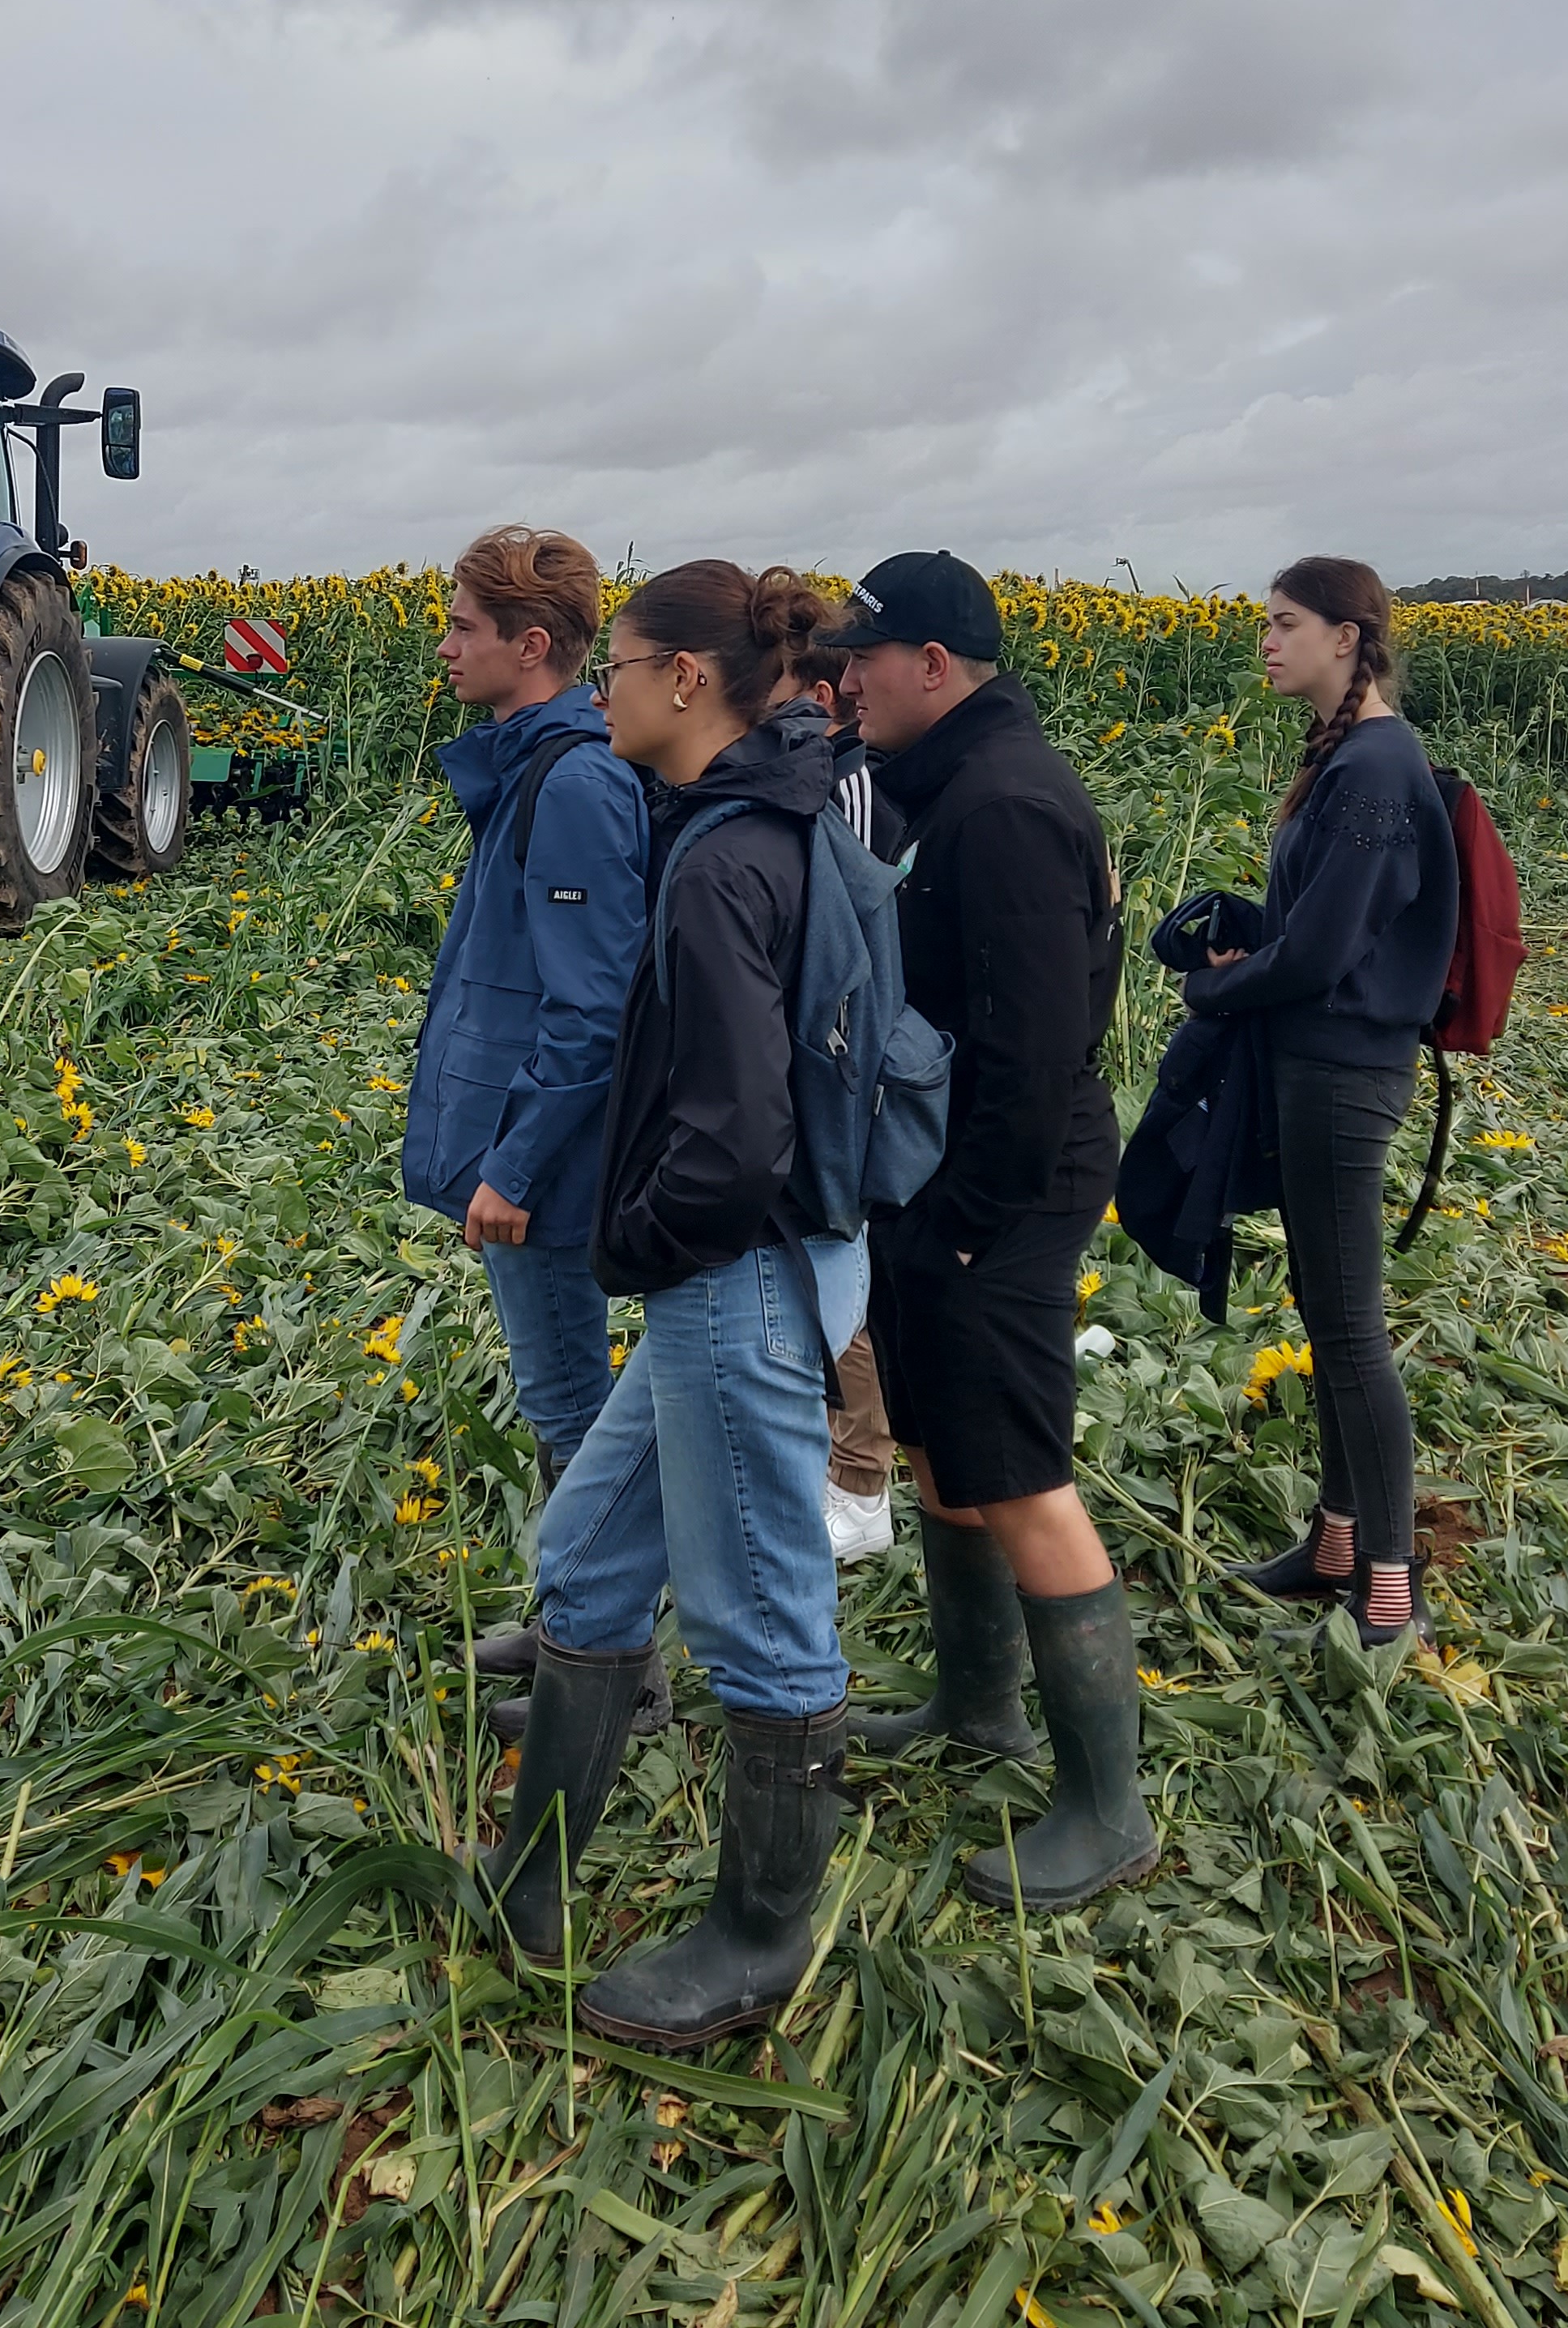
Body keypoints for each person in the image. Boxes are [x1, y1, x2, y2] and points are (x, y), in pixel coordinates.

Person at [479, 559, 859, 2050]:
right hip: (764, 1262)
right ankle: (533, 1877)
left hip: (734, 1275)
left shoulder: (719, 863)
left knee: (759, 1613)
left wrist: (636, 1242)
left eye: (622, 667)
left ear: (687, 679)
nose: (604, 694)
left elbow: (737, 1134)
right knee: (584, 1549)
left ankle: (759, 1940)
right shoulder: (778, 812)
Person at [834, 550, 1154, 1912]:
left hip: (999, 1189)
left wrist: (966, 1225)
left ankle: (1109, 1809)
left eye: (861, 657)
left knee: (1020, 1472)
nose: (843, 680)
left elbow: (1035, 1050)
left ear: (932, 665)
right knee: (940, 1441)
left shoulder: (1007, 806)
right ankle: (978, 1708)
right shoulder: (951, 782)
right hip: (943, 1180)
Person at [401, 529, 662, 1725]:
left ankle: (612, 1674)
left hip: (545, 1157)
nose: (445, 647)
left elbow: (591, 1007)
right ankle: (577, 1628)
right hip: (520, 1138)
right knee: (561, 1395)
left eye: (464, 626)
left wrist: (511, 1167)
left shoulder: (573, 783)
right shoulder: (534, 767)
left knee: (570, 1404)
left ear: (533, 644)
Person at [1181, 557, 1458, 1645]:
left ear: (1347, 637)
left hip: (1344, 1071)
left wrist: (1215, 987)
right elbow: (1323, 925)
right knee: (1326, 1307)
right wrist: (1244, 933)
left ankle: (1389, 1584)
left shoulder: (1378, 764)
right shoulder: (1343, 754)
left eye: (1285, 623)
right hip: (1316, 1059)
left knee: (1348, 1325)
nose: (1266, 640)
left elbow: (1325, 952)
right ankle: (1337, 1540)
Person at [780, 613, 908, 1566]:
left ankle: (862, 1479)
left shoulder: (844, 791)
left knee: (840, 1279)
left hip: (850, 1080)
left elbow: (849, 959)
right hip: (838, 1078)